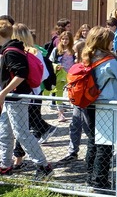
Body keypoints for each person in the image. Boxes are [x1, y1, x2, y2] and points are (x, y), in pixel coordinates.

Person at [0, 16, 54, 180]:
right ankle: (5, 165)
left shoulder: (11, 52)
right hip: (10, 98)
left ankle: (44, 166)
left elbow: (21, 74)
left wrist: (3, 93)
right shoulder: (10, 49)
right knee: (5, 132)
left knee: (22, 133)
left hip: (16, 98)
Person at [79, 25, 117, 189]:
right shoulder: (110, 61)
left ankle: (90, 176)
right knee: (105, 144)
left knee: (93, 141)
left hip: (89, 103)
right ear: (105, 42)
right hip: (107, 104)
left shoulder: (86, 57)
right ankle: (100, 180)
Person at [10, 23, 56, 169]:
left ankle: (20, 160)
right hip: (32, 92)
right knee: (23, 127)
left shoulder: (28, 52)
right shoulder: (33, 51)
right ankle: (17, 159)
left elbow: (42, 74)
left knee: (22, 128)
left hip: (26, 93)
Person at [49, 30, 76, 122]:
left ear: (70, 40)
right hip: (60, 75)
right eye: (63, 39)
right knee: (59, 93)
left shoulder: (73, 51)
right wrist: (56, 66)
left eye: (67, 39)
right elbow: (50, 62)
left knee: (72, 93)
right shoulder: (56, 50)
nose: (65, 41)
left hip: (71, 75)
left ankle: (75, 113)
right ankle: (60, 113)